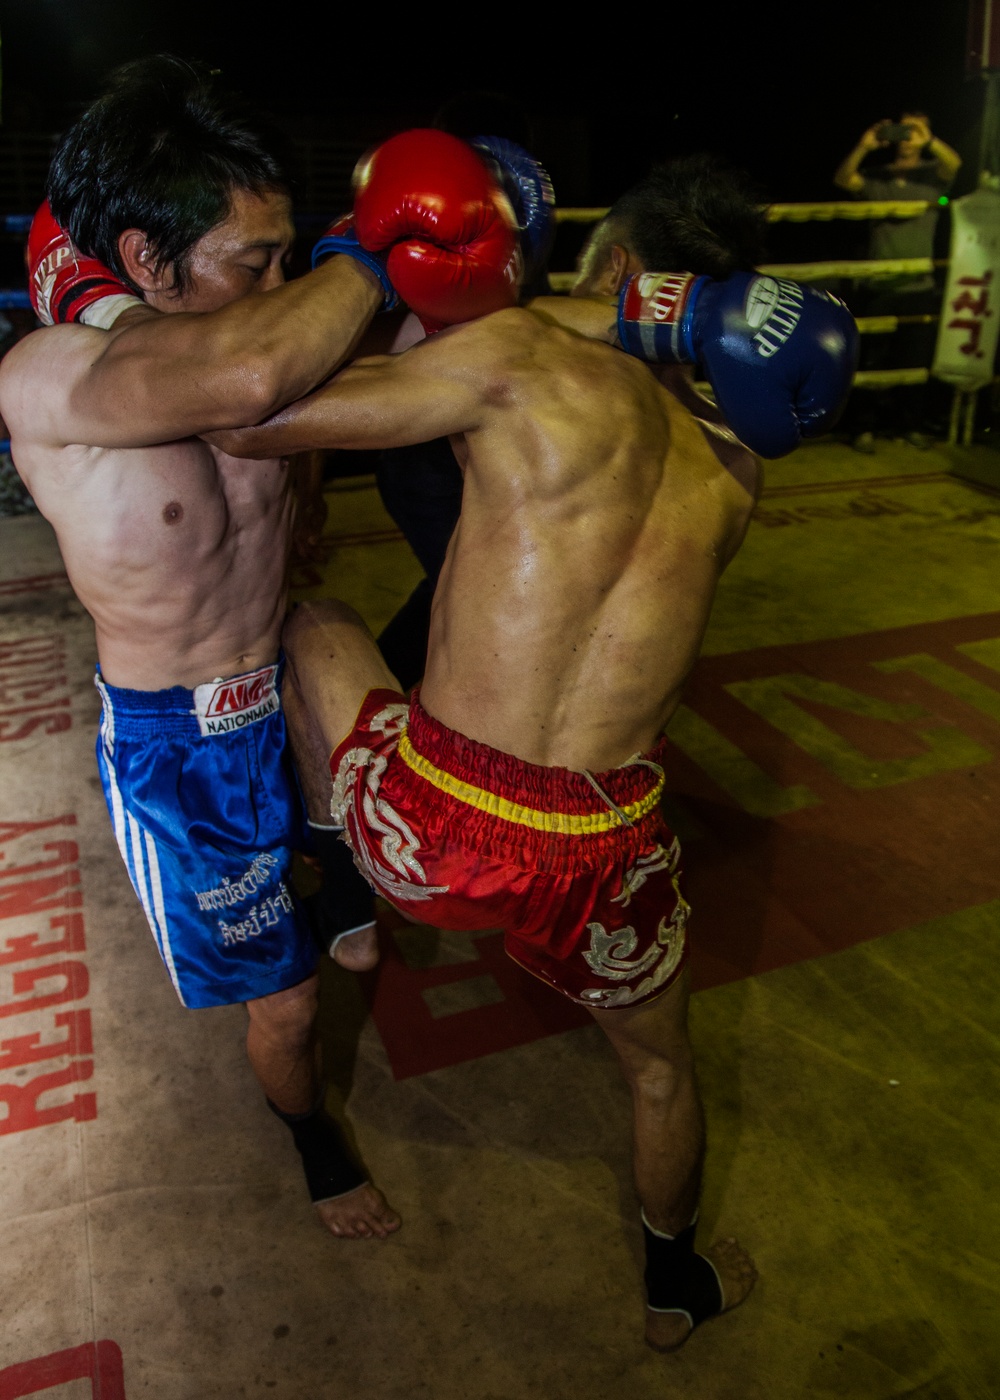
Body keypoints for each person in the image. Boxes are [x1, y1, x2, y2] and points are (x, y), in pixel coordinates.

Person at [209, 133, 856, 1347]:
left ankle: (339, 888)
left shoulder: (511, 360)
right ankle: (677, 1287)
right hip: (608, 847)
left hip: (432, 826)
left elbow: (252, 416)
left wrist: (368, 265)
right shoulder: (733, 474)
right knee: (661, 1067)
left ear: (613, 262)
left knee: (316, 619)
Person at [0, 58, 514, 1241]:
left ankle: (334, 860)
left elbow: (468, 354)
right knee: (285, 1011)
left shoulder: (264, 337)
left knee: (439, 765)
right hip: (181, 753)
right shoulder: (54, 379)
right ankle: (316, 1145)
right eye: (254, 258)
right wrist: (367, 255)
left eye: (294, 250)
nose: (280, 281)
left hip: (280, 663)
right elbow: (241, 376)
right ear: (142, 261)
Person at [834, 111, 962, 451]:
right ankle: (862, 428)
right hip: (878, 284)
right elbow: (844, 179)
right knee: (871, 361)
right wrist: (864, 147)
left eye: (914, 129)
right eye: (903, 129)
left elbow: (954, 164)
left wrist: (929, 140)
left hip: (917, 285)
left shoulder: (932, 176)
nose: (907, 136)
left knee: (914, 362)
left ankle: (910, 426)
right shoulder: (877, 175)